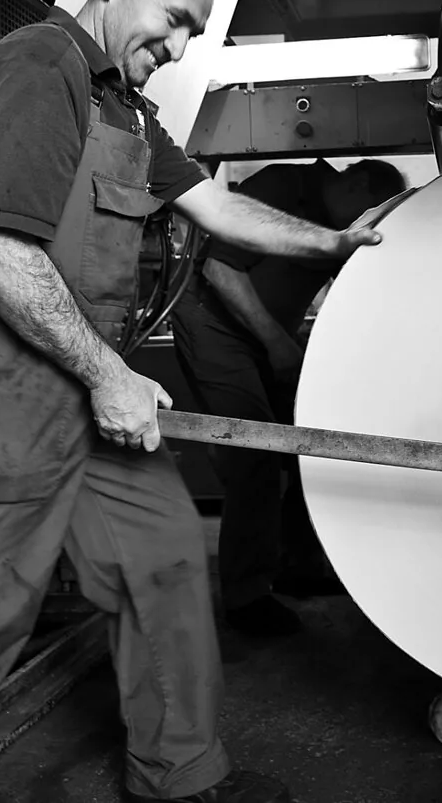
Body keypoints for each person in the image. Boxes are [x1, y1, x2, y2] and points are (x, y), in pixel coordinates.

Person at [0, 0, 381, 803]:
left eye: (193, 35)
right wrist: (107, 375)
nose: (175, 47)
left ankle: (181, 775)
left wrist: (338, 242)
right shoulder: (42, 63)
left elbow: (218, 211)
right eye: (172, 21)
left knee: (161, 558)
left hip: (82, 376)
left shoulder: (127, 108)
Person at [170, 159, 407, 637]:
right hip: (215, 327)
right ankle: (246, 598)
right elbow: (220, 271)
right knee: (255, 459)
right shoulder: (284, 184)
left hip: (268, 334)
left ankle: (298, 564)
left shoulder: (342, 220)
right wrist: (280, 346)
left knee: (312, 445)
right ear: (355, 181)